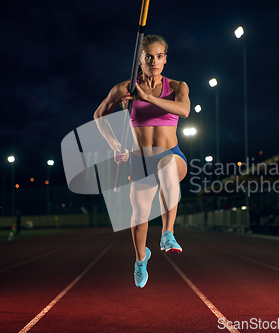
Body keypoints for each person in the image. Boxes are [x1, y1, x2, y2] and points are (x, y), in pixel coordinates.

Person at [93, 35, 190, 288]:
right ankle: (140, 259)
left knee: (167, 166)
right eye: (149, 57)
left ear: (165, 59)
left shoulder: (178, 86)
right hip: (140, 161)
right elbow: (99, 116)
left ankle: (168, 234)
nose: (154, 62)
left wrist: (148, 99)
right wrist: (116, 145)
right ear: (140, 60)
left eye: (159, 57)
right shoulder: (124, 89)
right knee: (139, 218)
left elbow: (184, 110)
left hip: (171, 155)